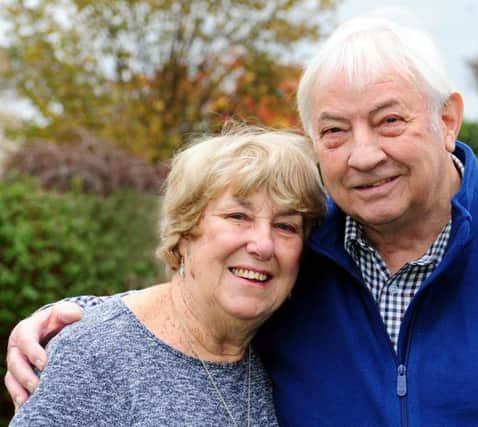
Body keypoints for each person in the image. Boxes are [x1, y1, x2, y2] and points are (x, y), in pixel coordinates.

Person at [6, 10, 478, 426]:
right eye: (335, 131)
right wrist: (77, 325)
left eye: (389, 120)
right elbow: (199, 291)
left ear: (447, 119)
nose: (364, 155)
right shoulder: (302, 251)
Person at [8, 127, 326, 426]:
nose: (262, 245)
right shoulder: (93, 353)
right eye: (238, 216)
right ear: (185, 232)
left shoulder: (281, 352)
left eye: (286, 226)